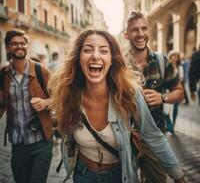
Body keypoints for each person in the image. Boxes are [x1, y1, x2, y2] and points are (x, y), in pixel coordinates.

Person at [49, 29, 185, 183]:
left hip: (120, 176)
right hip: (83, 175)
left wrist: (178, 176)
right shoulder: (69, 93)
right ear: (78, 59)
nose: (95, 55)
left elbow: (153, 136)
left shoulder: (129, 92)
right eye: (87, 50)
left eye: (103, 51)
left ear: (112, 59)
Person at [124, 11, 184, 182]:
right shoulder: (118, 64)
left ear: (149, 31)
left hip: (155, 139)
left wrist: (162, 97)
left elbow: (179, 92)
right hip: (125, 139)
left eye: (144, 28)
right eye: (135, 30)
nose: (140, 34)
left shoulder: (161, 61)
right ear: (126, 35)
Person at [0, 29, 53, 183]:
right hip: (18, 144)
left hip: (42, 140)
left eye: (22, 43)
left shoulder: (40, 70)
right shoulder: (3, 74)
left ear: (27, 46)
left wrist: (45, 102)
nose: (19, 46)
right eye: (14, 43)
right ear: (7, 48)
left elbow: (59, 97)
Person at [168, 50, 184, 131]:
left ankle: (173, 125)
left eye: (176, 57)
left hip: (176, 89)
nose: (175, 58)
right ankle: (168, 124)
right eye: (173, 56)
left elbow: (181, 78)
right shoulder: (167, 65)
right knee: (167, 108)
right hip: (167, 90)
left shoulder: (180, 67)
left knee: (175, 108)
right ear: (170, 57)